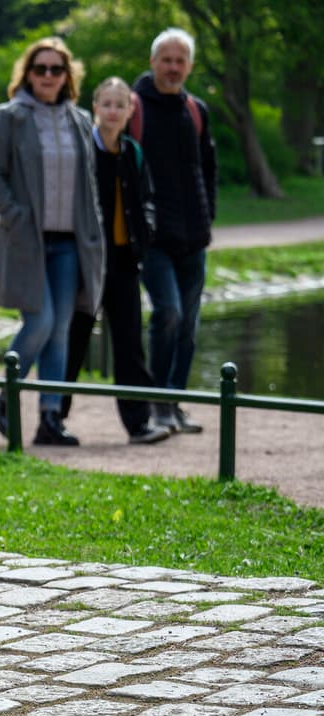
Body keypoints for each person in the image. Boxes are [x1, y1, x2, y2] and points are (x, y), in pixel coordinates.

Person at [0, 37, 104, 446]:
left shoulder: (81, 120)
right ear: (28, 74)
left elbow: (89, 186)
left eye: (56, 69)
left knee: (62, 331)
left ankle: (50, 418)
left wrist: (93, 230)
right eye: (41, 69)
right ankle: (7, 395)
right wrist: (17, 216)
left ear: (68, 75)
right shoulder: (10, 116)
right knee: (41, 321)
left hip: (71, 243)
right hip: (27, 242)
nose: (49, 76)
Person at [62, 77, 169, 445]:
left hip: (124, 262)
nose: (112, 111)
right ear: (95, 107)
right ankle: (53, 418)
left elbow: (149, 200)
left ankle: (138, 424)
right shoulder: (82, 150)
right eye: (106, 104)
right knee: (74, 340)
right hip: (87, 264)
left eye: (119, 105)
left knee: (129, 344)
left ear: (129, 110)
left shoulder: (132, 152)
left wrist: (147, 231)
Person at [132, 27, 217, 433]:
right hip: (153, 239)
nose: (172, 67)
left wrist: (208, 218)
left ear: (190, 66)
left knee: (189, 326)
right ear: (152, 63)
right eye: (166, 59)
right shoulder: (134, 109)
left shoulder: (196, 110)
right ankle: (157, 403)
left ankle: (175, 402)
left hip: (194, 237)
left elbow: (208, 168)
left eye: (180, 60)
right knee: (167, 313)